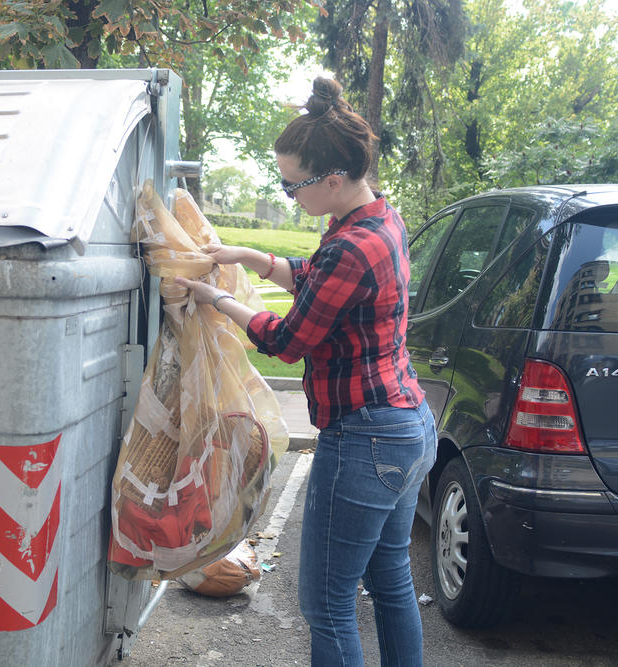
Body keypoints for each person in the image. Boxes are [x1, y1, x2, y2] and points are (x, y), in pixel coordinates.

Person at [174, 76, 437, 666]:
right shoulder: (375, 222)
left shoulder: (351, 246)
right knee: (390, 579)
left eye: (293, 186)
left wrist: (215, 300)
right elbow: (321, 282)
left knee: (327, 604)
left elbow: (290, 340)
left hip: (366, 437)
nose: (289, 194)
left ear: (333, 180)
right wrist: (253, 259)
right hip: (407, 424)